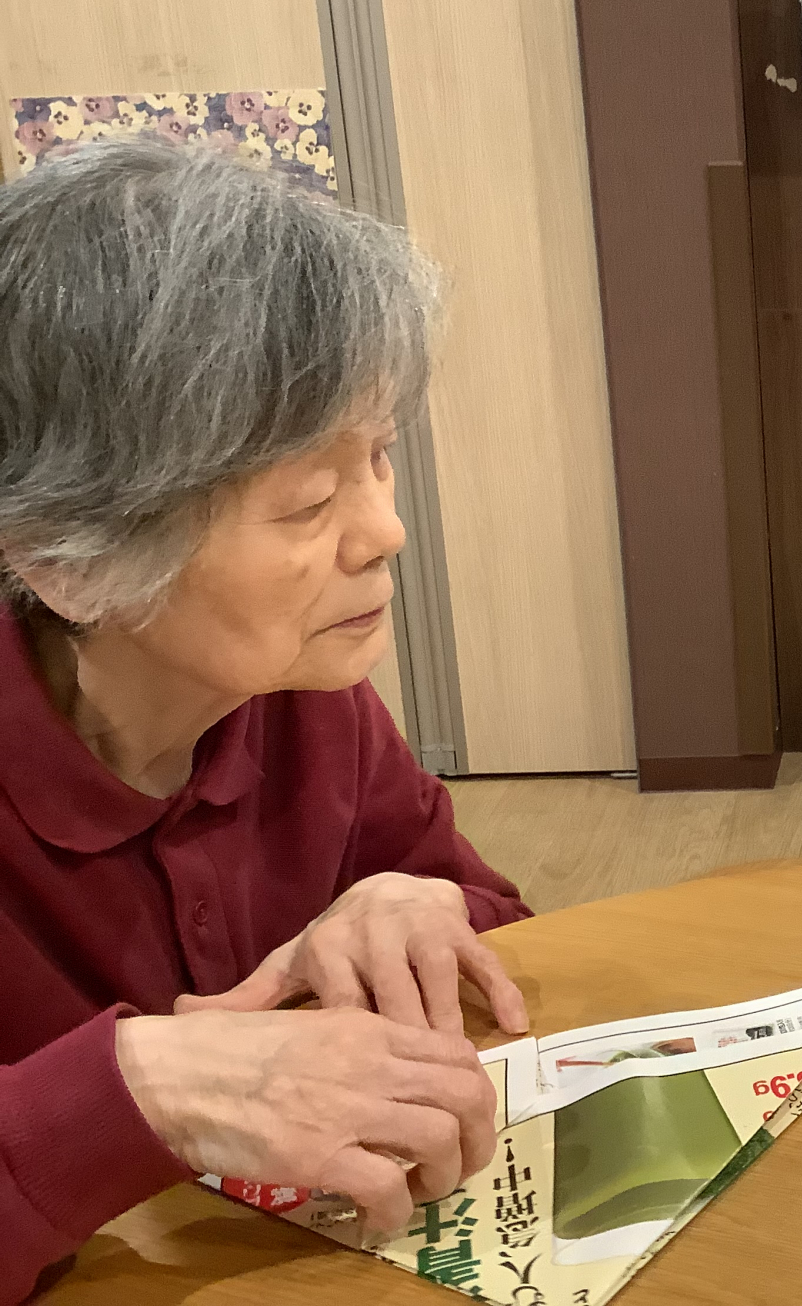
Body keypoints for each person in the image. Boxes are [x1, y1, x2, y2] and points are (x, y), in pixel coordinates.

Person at [0, 142, 533, 1302]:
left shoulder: (303, 701)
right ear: (68, 563)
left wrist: (416, 903)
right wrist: (140, 1091)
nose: (385, 530)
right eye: (307, 501)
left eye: (379, 456)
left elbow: (507, 951)